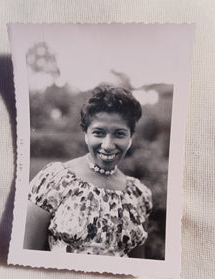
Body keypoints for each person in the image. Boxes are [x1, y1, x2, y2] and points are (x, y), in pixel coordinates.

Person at [24, 84, 152, 258]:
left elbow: (138, 267)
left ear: (130, 137)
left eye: (119, 134)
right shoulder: (54, 180)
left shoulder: (138, 195)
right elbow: (27, 257)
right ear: (86, 134)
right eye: (98, 133)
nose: (107, 145)